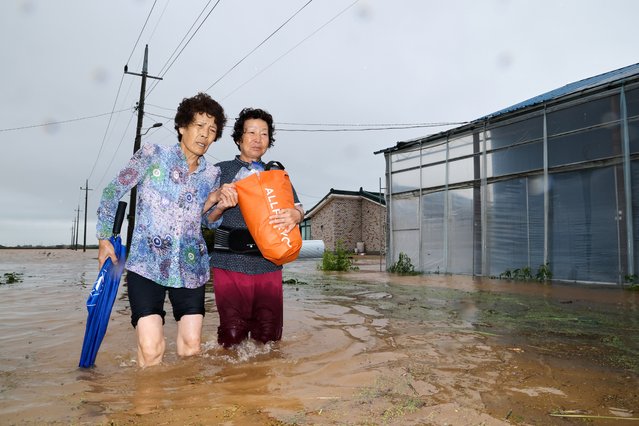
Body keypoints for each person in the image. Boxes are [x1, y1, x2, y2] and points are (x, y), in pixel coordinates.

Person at [96, 92, 238, 368]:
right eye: (199, 126)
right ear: (182, 126)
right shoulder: (152, 155)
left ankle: (184, 409)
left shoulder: (212, 175)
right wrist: (104, 239)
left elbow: (208, 221)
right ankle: (146, 409)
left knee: (191, 348)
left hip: (191, 267)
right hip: (146, 264)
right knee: (151, 350)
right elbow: (113, 191)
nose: (204, 135)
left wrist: (218, 205)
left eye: (212, 130)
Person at [209, 107, 304, 348]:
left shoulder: (277, 173)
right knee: (231, 335)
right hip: (229, 263)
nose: (257, 139)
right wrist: (220, 206)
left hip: (268, 263)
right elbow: (205, 219)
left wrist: (296, 214)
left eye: (263, 134)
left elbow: (300, 209)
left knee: (268, 336)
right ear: (239, 138)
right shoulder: (219, 171)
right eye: (251, 132)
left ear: (269, 141)